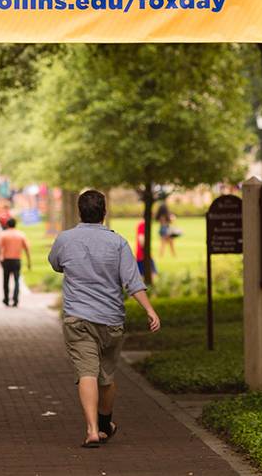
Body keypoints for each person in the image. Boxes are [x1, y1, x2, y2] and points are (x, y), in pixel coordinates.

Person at [48, 190, 160, 449]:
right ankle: (104, 423)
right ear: (104, 212)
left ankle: (92, 430)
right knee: (106, 376)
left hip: (77, 318)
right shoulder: (118, 242)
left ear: (79, 211)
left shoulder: (65, 239)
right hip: (111, 320)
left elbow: (56, 264)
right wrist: (150, 310)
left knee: (86, 372)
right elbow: (133, 282)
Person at [0, 216, 30, 307]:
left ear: (7, 225)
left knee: (6, 281)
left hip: (6, 260)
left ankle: (6, 299)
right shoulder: (21, 235)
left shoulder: (3, 235)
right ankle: (15, 299)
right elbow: (27, 249)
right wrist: (29, 262)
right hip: (16, 260)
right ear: (15, 224)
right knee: (16, 280)